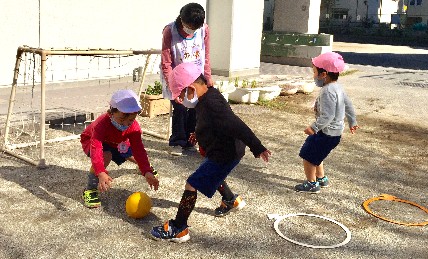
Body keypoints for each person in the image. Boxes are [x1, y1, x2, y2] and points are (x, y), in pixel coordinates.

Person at [150, 62, 271, 243]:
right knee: (212, 174)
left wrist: (257, 147)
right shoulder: (207, 96)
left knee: (192, 183)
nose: (180, 100)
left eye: (181, 95)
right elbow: (209, 121)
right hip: (222, 150)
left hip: (225, 154)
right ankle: (230, 200)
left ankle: (179, 228)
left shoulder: (212, 104)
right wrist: (197, 134)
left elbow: (236, 125)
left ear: (191, 88)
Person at [80, 89, 159, 208]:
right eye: (122, 119)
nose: (126, 124)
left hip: (117, 141)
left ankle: (142, 168)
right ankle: (90, 189)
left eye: (131, 120)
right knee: (106, 155)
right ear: (111, 112)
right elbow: (96, 147)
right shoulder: (102, 123)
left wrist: (146, 170)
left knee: (129, 153)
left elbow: (139, 149)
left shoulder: (134, 127)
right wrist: (100, 172)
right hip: (92, 140)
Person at [295, 52, 359, 194]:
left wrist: (313, 127)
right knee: (317, 155)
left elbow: (328, 115)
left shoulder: (327, 91)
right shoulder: (338, 87)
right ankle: (321, 178)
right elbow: (348, 104)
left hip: (325, 132)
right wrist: (352, 121)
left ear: (323, 74)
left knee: (307, 156)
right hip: (333, 134)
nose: (313, 75)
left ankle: (311, 184)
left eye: (314, 71)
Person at [160, 2, 213, 156]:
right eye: (189, 26)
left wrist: (208, 77)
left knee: (195, 109)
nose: (192, 30)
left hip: (196, 76)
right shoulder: (170, 31)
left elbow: (206, 55)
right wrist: (173, 88)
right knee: (181, 108)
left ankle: (190, 142)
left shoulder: (204, 30)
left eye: (195, 28)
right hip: (177, 77)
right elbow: (166, 62)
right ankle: (177, 141)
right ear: (182, 19)